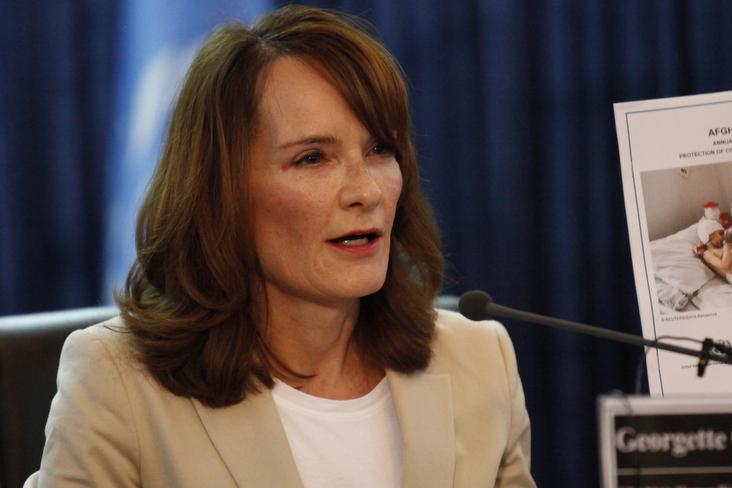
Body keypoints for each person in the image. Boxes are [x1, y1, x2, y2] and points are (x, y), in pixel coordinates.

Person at [26, 5, 534, 487]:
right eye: (313, 158)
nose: (367, 191)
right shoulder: (118, 383)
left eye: (380, 149)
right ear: (223, 193)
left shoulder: (479, 360)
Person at [694, 218, 732, 283]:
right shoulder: (708, 254)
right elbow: (724, 265)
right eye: (721, 233)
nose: (723, 236)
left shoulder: (722, 246)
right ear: (709, 238)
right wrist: (727, 246)